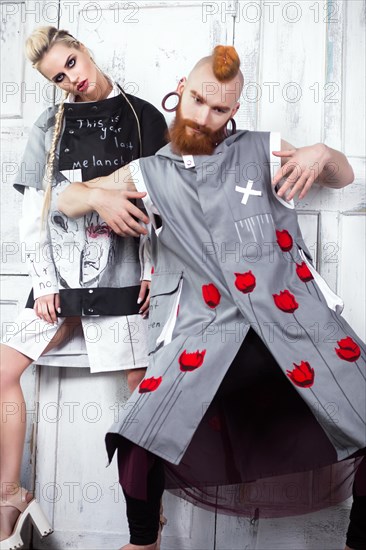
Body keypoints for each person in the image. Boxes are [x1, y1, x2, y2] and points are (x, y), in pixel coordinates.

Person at [58, 46, 365, 550]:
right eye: (197, 100)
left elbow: (342, 177)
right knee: (138, 433)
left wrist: (322, 154)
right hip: (207, 330)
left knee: (363, 407)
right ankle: (143, 543)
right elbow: (66, 200)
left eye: (218, 109)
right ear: (181, 88)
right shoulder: (149, 173)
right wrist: (96, 194)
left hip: (295, 321)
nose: (202, 117)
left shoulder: (261, 149)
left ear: (233, 111)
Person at [0, 26, 168, 549]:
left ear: (84, 48)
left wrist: (151, 271)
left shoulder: (143, 117)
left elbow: (163, 203)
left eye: (72, 62)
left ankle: (148, 523)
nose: (73, 78)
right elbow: (34, 212)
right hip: (61, 282)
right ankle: (12, 494)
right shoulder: (49, 125)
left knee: (145, 400)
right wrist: (45, 282)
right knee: (3, 372)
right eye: (59, 76)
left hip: (121, 282)